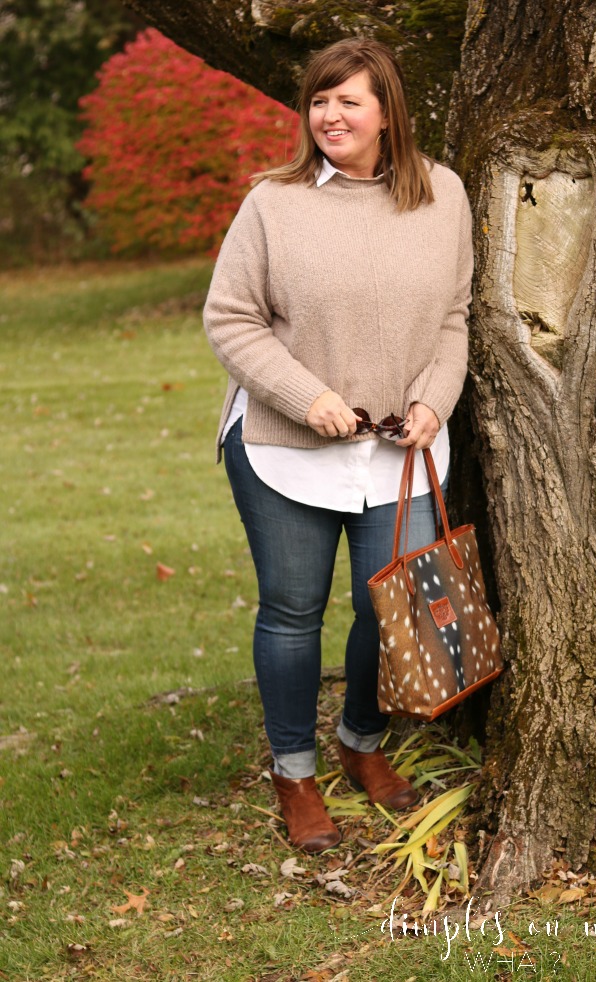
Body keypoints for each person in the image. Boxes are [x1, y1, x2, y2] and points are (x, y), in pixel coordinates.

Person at [203, 38, 473, 853]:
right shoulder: (273, 203)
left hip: (401, 451)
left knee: (389, 609)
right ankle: (294, 772)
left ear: (387, 111)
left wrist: (434, 401)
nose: (330, 116)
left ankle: (361, 746)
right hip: (284, 446)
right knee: (292, 611)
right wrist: (307, 396)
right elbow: (230, 319)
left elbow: (455, 318)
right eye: (320, 101)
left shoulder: (445, 196)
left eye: (348, 100)